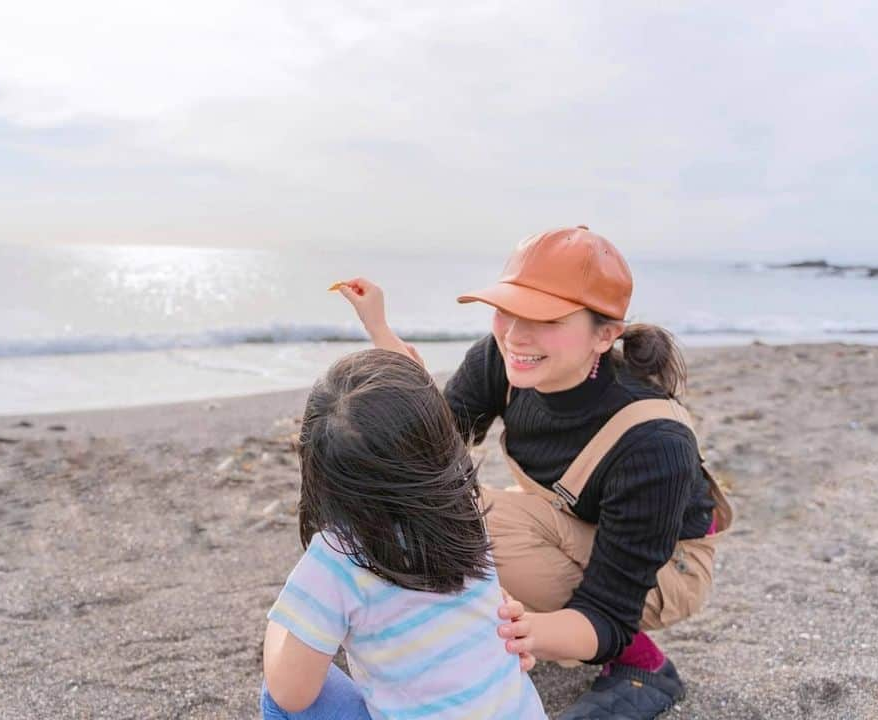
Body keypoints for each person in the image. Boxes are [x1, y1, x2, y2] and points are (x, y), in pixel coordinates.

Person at [334, 225, 733, 719]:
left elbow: (607, 613)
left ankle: (645, 666)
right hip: (575, 521)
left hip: (668, 565)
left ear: (604, 335)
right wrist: (383, 335)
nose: (516, 335)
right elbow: (429, 447)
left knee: (473, 524)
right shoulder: (500, 357)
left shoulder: (654, 443)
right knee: (422, 496)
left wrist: (518, 632)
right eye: (508, 309)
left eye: (546, 318)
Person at [260, 348, 547, 719]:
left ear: (318, 472)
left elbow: (291, 694)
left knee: (278, 688)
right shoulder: (464, 513)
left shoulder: (336, 558)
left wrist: (281, 624)